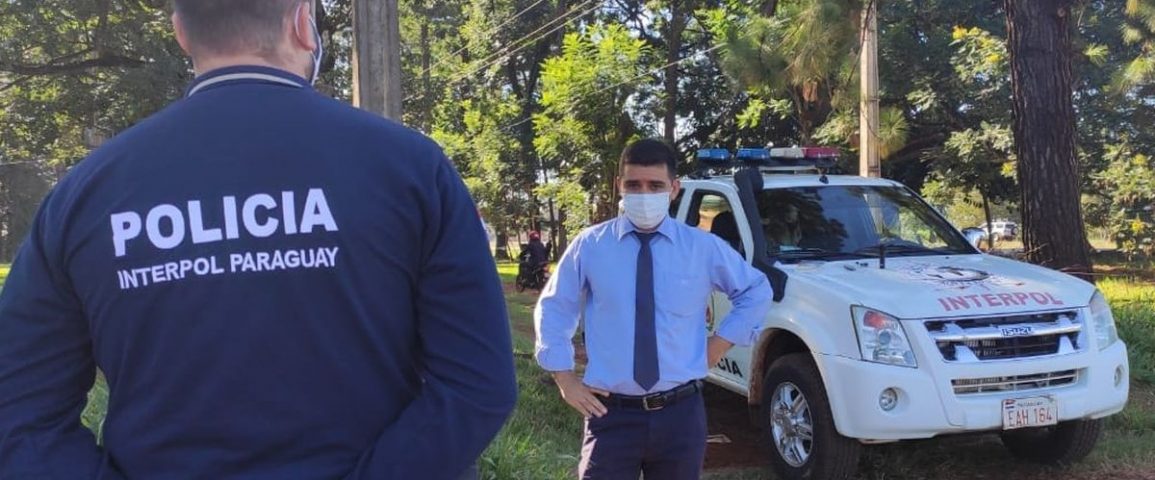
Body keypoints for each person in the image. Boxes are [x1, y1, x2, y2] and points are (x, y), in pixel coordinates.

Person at [0, 1, 516, 478]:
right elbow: (477, 384)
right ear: (302, 22)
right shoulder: (411, 169)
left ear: (181, 33)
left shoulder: (86, 194)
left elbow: (19, 409)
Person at [534, 139, 774, 479]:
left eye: (655, 186)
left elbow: (756, 289)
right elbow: (555, 307)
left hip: (680, 415)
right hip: (611, 414)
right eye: (634, 185)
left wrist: (718, 346)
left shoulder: (702, 248)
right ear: (620, 185)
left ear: (674, 189)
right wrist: (564, 378)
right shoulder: (591, 246)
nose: (644, 194)